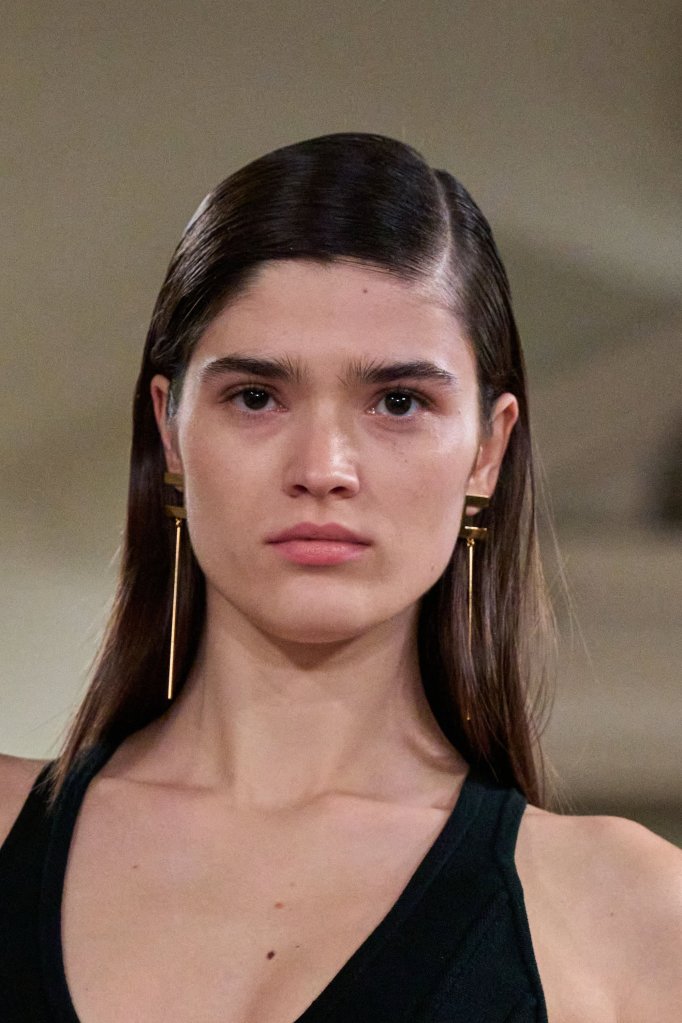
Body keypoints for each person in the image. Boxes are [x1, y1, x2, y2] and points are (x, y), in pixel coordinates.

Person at [0, 132, 680, 1023]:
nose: (323, 467)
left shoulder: (631, 917)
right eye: (256, 397)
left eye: (399, 402)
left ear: (488, 448)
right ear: (170, 431)